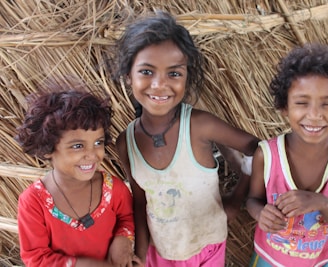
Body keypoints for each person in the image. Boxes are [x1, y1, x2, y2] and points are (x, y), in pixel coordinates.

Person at [115, 11, 260, 267]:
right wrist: (139, 254)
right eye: (147, 71)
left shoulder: (198, 125)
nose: (159, 84)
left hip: (207, 247)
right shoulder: (126, 142)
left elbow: (259, 151)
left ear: (186, 77)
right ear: (129, 76)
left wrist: (238, 200)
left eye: (173, 74)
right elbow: (140, 202)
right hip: (158, 254)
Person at [246, 43, 328, 267]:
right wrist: (260, 214)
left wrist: (323, 204)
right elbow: (253, 200)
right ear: (284, 107)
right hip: (271, 261)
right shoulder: (267, 154)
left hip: (322, 261)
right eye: (302, 103)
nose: (314, 115)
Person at [16, 89, 141, 267]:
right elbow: (36, 258)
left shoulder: (113, 188)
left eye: (98, 142)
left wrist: (123, 239)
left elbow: (127, 217)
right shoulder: (33, 203)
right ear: (48, 149)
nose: (91, 154)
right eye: (77, 146)